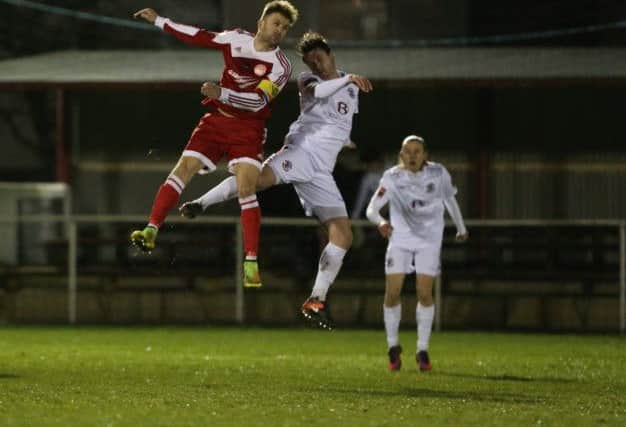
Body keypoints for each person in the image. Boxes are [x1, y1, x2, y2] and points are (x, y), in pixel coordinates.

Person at [179, 31, 373, 329]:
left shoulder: (350, 86)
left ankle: (316, 299)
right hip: (301, 152)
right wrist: (347, 80)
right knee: (257, 180)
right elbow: (322, 95)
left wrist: (345, 140)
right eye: (311, 61)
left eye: (320, 58)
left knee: (343, 235)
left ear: (331, 54)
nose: (317, 65)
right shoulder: (309, 81)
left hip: (321, 169)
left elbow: (341, 119)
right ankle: (201, 203)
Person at [130, 2, 299, 288]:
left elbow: (258, 101)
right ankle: (151, 229)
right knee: (183, 168)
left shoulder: (281, 66)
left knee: (247, 185)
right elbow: (198, 35)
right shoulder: (235, 39)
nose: (279, 30)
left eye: (284, 27)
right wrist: (160, 21)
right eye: (276, 23)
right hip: (217, 121)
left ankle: (250, 263)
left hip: (248, 129)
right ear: (261, 22)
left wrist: (222, 92)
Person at [366, 135, 468, 371]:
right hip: (400, 240)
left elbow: (450, 200)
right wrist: (381, 222)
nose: (412, 156)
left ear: (425, 155)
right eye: (408, 151)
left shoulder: (438, 174)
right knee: (392, 293)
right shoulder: (392, 178)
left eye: (417, 151)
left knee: (424, 293)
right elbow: (371, 209)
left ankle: (422, 349)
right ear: (401, 156)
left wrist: (461, 228)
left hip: (429, 241)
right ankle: (393, 346)